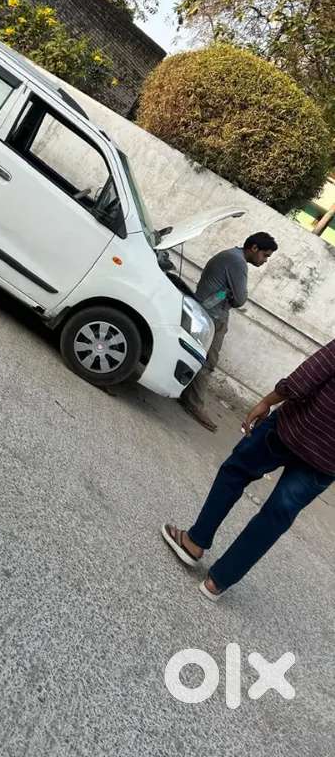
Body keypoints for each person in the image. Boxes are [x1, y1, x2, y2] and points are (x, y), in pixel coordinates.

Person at [162, 340, 335, 599]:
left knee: (236, 471)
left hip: (293, 427)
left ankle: (194, 543)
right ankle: (217, 582)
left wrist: (267, 401)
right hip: (327, 461)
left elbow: (308, 375)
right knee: (277, 515)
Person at [181, 232, 278, 431]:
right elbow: (241, 299)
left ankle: (185, 394)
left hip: (207, 311)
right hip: (213, 316)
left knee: (197, 355)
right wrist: (234, 296)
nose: (265, 260)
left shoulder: (230, 255)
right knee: (208, 362)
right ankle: (193, 403)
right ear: (254, 248)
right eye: (265, 255)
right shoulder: (238, 262)